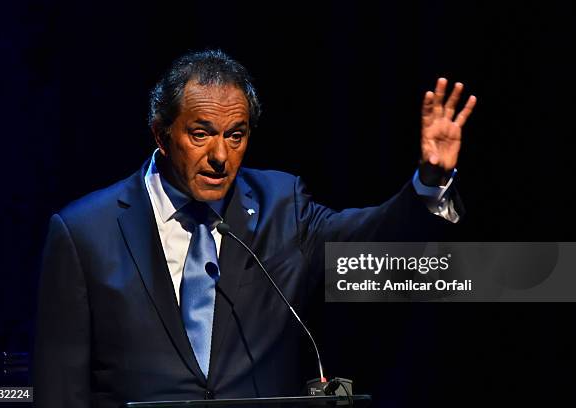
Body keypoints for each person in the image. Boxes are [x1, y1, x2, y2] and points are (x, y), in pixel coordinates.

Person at [33, 49, 476, 408]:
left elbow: (370, 240)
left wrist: (428, 183)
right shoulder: (83, 233)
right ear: (160, 134)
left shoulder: (282, 206)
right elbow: (60, 390)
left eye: (236, 135)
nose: (221, 156)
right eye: (201, 134)